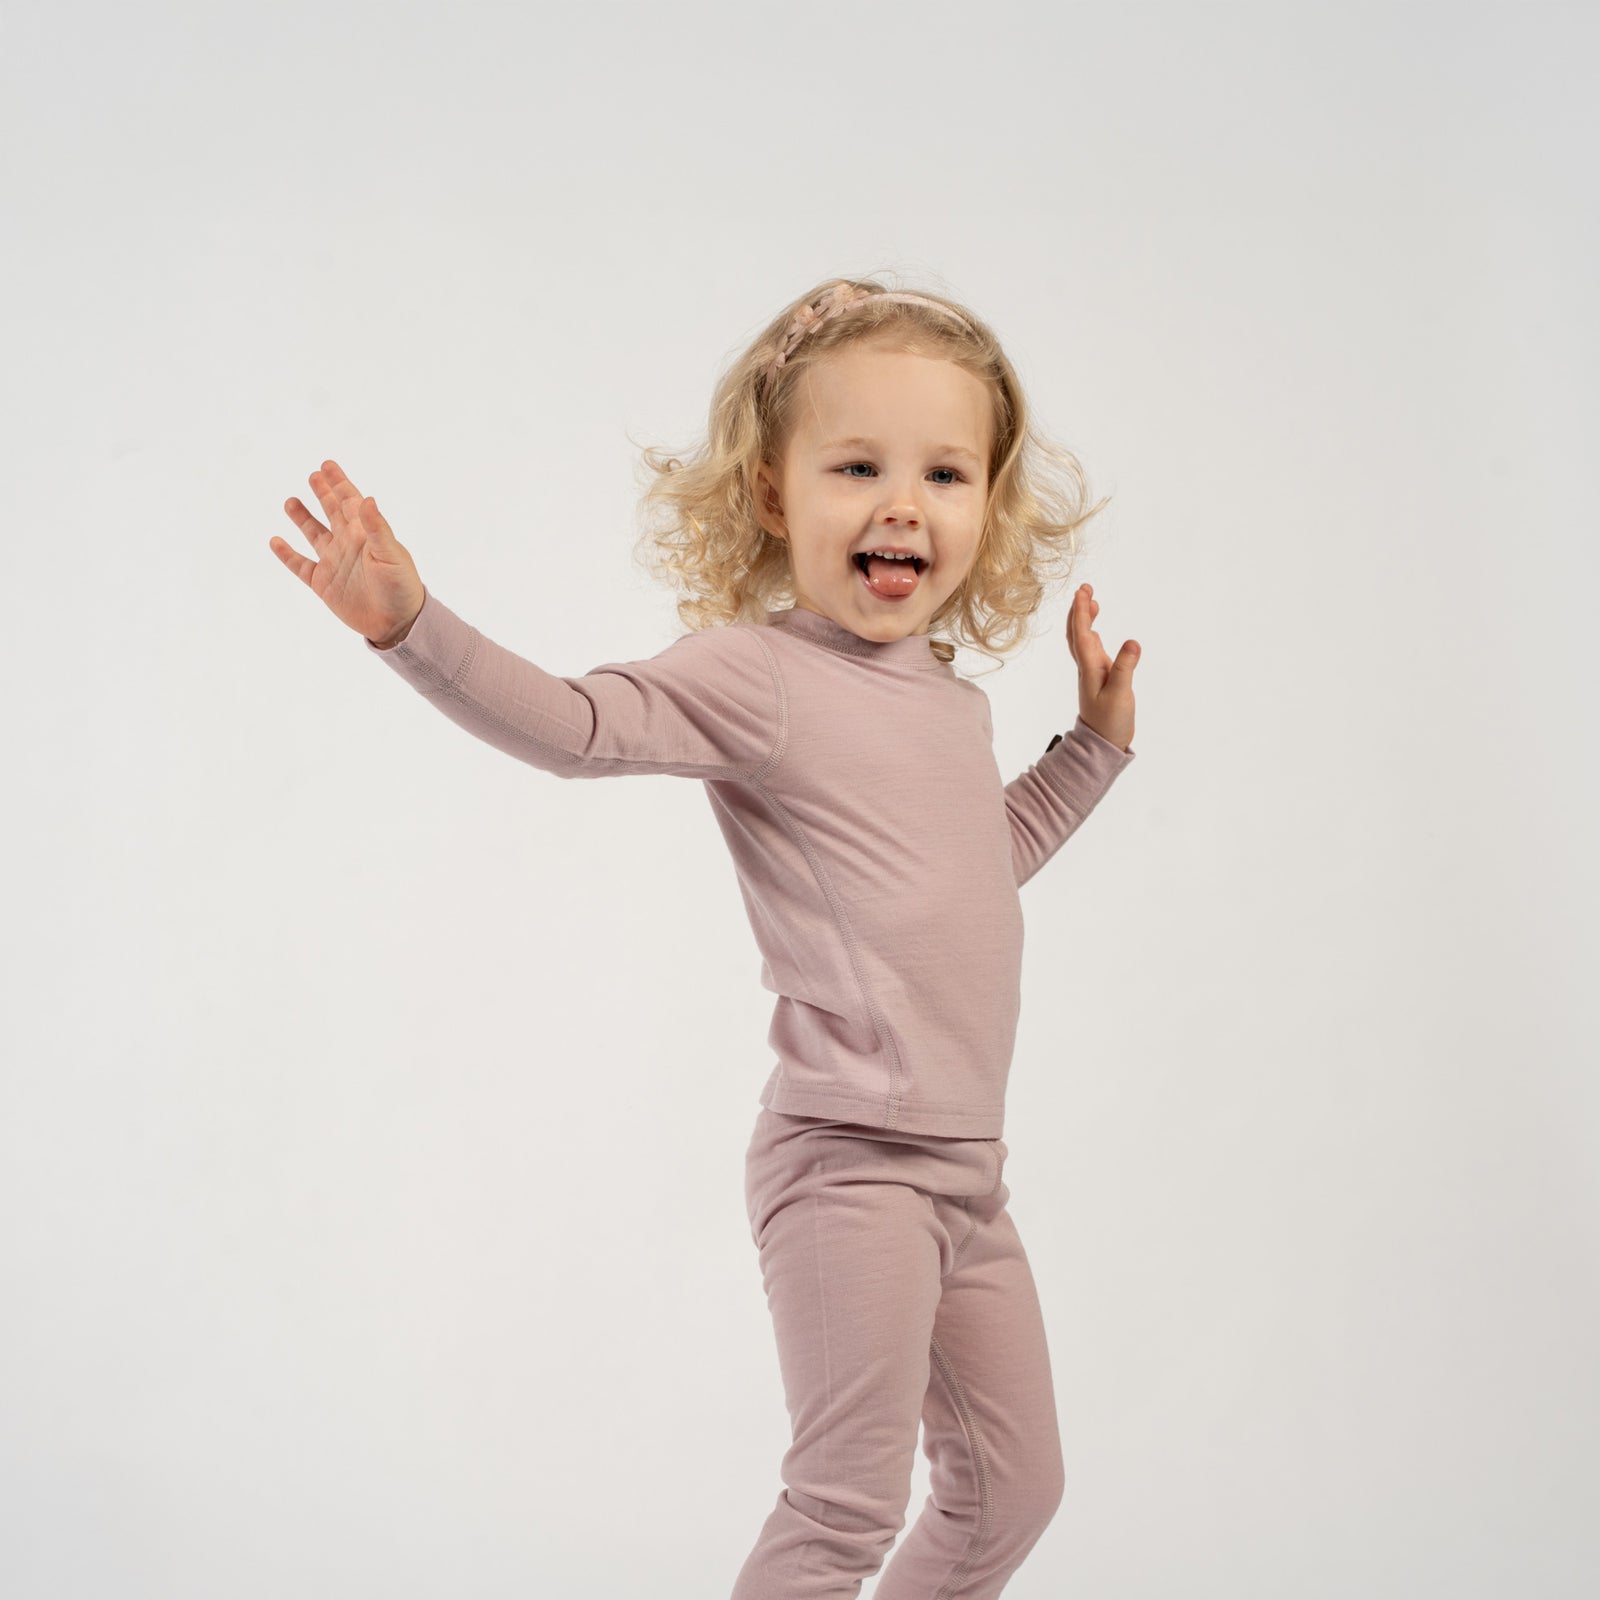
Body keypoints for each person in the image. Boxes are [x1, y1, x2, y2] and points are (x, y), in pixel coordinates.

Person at [269, 276, 1142, 1599]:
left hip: (970, 1181)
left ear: (988, 505)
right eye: (858, 466)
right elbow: (578, 726)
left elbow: (977, 871)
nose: (904, 503)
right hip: (850, 1171)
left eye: (946, 473)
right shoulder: (760, 678)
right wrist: (414, 631)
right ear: (779, 495)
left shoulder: (948, 706)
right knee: (845, 1508)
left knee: (1012, 1494)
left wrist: (1091, 752)